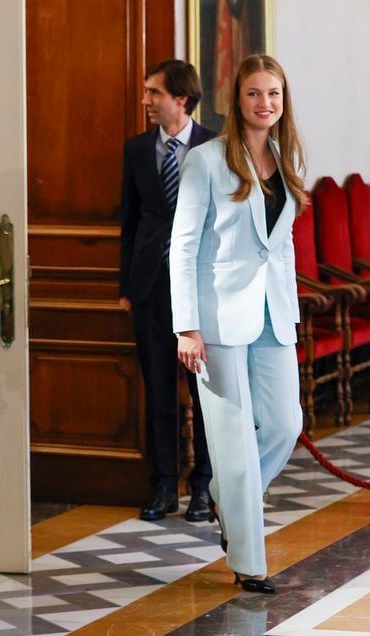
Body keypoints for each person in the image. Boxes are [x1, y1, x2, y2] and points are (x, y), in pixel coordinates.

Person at [169, 54, 305, 594]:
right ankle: (250, 562)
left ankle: (228, 500)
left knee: (283, 425)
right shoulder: (204, 161)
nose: (264, 103)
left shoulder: (286, 155)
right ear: (237, 100)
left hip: (274, 314)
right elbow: (182, 246)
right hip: (218, 318)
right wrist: (187, 326)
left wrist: (291, 305)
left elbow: (282, 243)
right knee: (233, 442)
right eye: (254, 93)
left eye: (273, 93)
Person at [120, 60, 216, 522]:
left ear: (181, 98)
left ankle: (204, 488)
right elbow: (131, 222)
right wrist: (127, 286)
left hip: (201, 291)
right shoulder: (137, 149)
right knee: (158, 390)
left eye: (153, 92)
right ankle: (163, 487)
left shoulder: (215, 145)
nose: (145, 101)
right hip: (151, 288)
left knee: (204, 396)